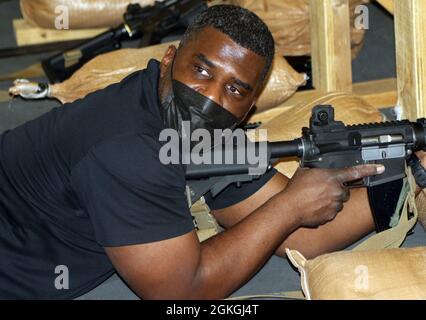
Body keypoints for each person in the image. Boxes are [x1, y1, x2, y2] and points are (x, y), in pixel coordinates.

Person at [0, 4, 421, 299]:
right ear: (169, 59)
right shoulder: (126, 150)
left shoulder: (191, 126)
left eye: (235, 89)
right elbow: (183, 291)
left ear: (251, 105)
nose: (210, 98)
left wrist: (410, 172)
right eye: (201, 70)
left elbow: (302, 237)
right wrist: (289, 205)